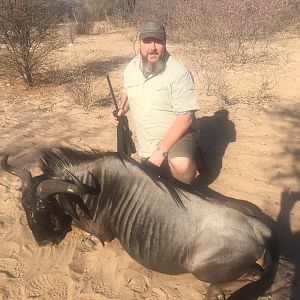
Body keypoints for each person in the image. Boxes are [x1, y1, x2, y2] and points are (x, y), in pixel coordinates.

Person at [112, 20, 200, 184]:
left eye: (158, 41)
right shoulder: (131, 68)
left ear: (165, 43)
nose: (152, 47)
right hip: (146, 141)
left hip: (178, 133)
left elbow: (185, 118)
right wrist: (122, 110)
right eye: (147, 41)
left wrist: (161, 151)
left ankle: (190, 190)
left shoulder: (179, 72)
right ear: (139, 43)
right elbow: (127, 91)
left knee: (180, 165)